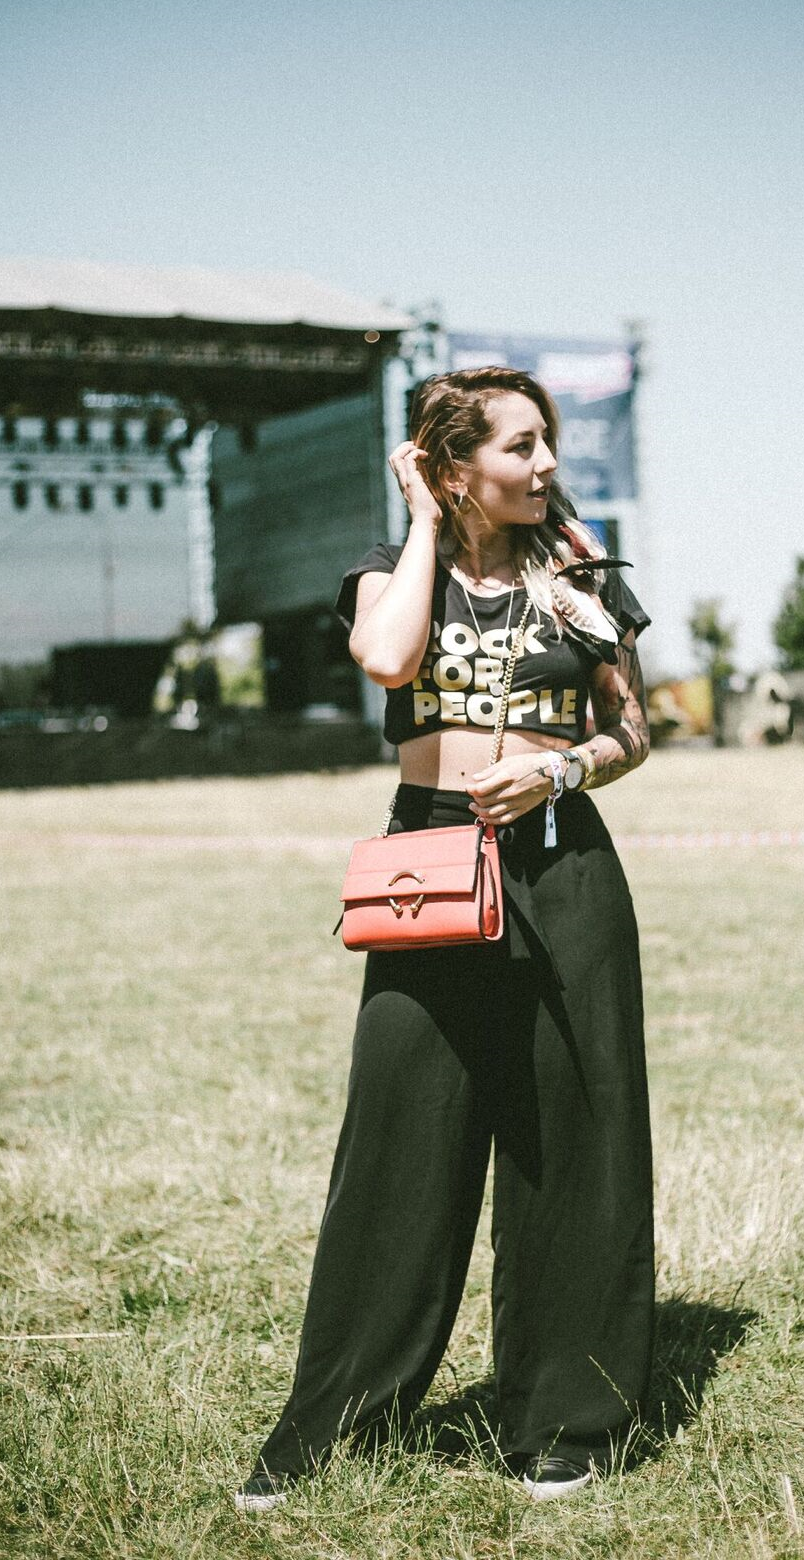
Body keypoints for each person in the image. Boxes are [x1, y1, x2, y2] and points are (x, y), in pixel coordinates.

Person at [236, 366, 655, 1509]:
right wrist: (424, 522)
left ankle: (567, 1417)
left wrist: (560, 768)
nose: (546, 462)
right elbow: (386, 659)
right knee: (398, 1138)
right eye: (520, 446)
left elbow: (632, 727)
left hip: (564, 864)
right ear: (453, 464)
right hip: (425, 860)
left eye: (547, 441)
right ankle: (332, 1425)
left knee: (571, 1138)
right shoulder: (390, 569)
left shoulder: (582, 573)